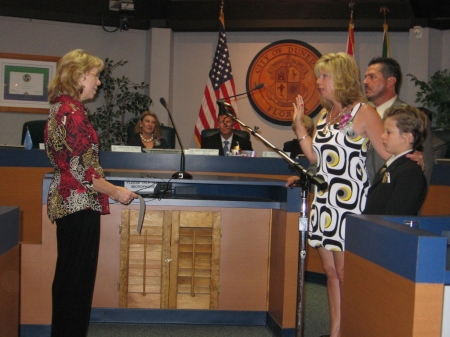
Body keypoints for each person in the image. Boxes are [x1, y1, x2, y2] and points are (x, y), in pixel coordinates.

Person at [286, 52, 391, 337]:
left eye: (324, 76)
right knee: (331, 274)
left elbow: (387, 152)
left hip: (349, 203)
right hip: (323, 201)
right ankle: (336, 331)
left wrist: (410, 156)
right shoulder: (325, 114)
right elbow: (315, 158)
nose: (318, 82)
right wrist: (298, 124)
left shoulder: (364, 112)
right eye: (318, 75)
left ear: (341, 78)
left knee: (346, 274)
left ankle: (353, 329)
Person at [44, 49, 137, 337]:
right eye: (95, 75)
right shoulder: (73, 114)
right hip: (79, 204)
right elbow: (84, 169)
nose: (98, 82)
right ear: (80, 75)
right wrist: (117, 192)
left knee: (68, 279)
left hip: (66, 202)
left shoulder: (59, 108)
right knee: (77, 283)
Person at [363, 56, 433, 184]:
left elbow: (424, 168)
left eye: (372, 77)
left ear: (390, 82)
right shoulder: (360, 115)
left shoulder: (413, 117)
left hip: (388, 196)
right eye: (366, 77)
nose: (365, 81)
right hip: (353, 197)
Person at [364, 105, 428, 215]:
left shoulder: (410, 172)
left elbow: (397, 215)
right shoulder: (393, 165)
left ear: (408, 137)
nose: (382, 136)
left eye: (388, 132)